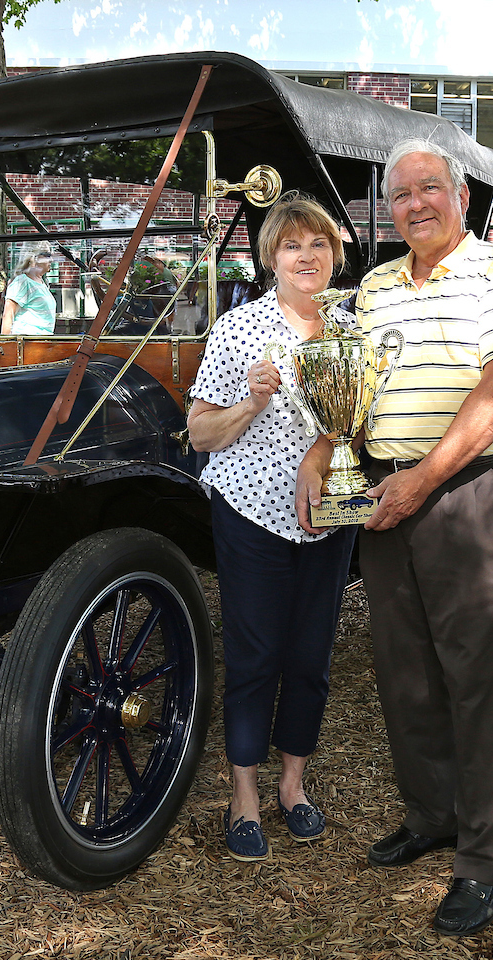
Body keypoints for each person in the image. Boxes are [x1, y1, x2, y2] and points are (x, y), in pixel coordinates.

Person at [298, 139, 493, 936]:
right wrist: (323, 452)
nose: (414, 205)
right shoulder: (371, 286)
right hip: (383, 493)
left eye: (428, 189)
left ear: (460, 197)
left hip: (472, 492)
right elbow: (349, 388)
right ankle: (432, 814)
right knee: (404, 669)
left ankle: (483, 858)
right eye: (399, 195)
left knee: (480, 677)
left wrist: (422, 479)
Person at [187, 193, 356, 862]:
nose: (307, 255)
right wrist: (252, 403)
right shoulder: (239, 330)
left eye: (318, 243)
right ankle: (245, 795)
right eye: (293, 245)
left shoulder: (352, 328)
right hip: (252, 512)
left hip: (331, 512)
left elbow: (369, 421)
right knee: (256, 656)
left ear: (333, 255)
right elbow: (201, 433)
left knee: (311, 656)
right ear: (271, 258)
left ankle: (294, 787)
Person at [1, 241, 56, 335]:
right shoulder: (22, 281)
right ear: (35, 257)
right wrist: (5, 345)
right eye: (47, 255)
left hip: (42, 344)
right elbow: (8, 316)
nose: (51, 260)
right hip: (26, 344)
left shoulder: (43, 283)